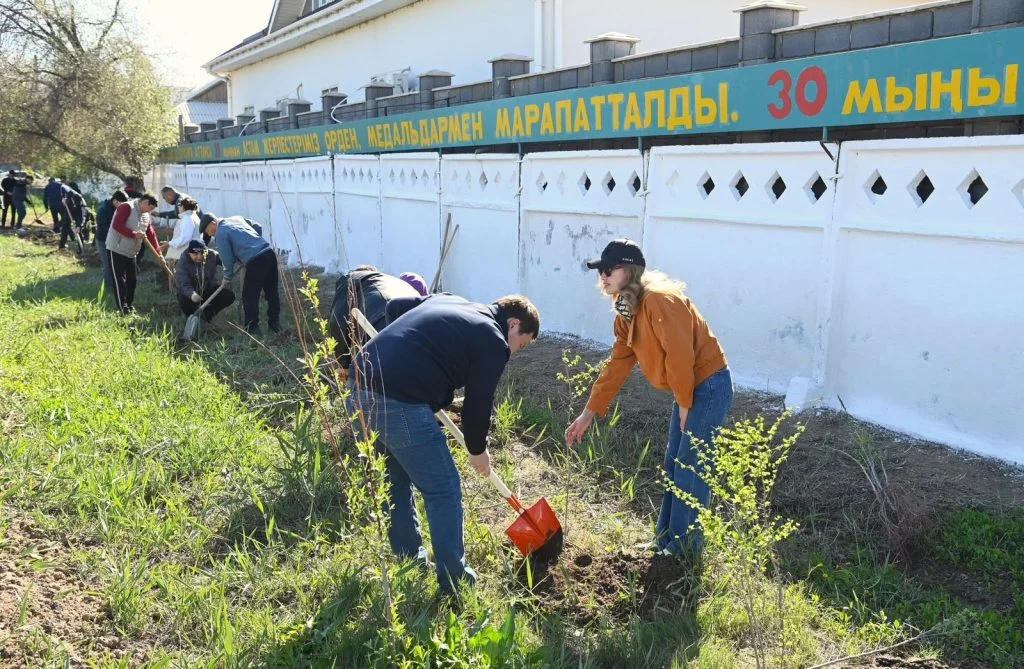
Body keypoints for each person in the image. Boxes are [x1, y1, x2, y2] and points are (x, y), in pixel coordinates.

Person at [348, 293, 540, 593]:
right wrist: (478, 450)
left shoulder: (450, 300)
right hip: (398, 401)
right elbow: (478, 404)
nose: (514, 351)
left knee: (394, 480)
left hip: (359, 386)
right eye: (522, 343)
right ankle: (455, 583)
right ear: (513, 324)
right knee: (443, 488)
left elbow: (395, 307)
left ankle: (409, 559)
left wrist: (408, 354)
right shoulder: (493, 339)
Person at [564, 239, 733, 556]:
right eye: (599, 271)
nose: (602, 276)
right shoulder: (628, 308)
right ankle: (665, 542)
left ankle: (683, 553)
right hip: (690, 388)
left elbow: (680, 356)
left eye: (607, 270)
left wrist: (685, 403)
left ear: (628, 270)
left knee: (690, 467)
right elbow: (618, 363)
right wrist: (588, 413)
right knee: (673, 463)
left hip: (707, 386)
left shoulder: (659, 300)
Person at [329, 265, 428, 370]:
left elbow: (337, 323)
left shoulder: (350, 279)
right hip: (418, 323)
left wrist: (342, 365)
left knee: (380, 374)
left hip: (383, 322)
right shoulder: (390, 282)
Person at [199, 213, 280, 334]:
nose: (210, 234)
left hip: (256, 261)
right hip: (269, 253)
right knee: (272, 292)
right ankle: (275, 325)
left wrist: (227, 276)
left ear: (213, 223)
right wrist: (253, 243)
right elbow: (258, 227)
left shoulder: (220, 233)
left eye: (208, 231)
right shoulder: (236, 218)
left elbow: (227, 258)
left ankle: (252, 329)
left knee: (250, 296)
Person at [106, 193, 163, 314]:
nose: (151, 210)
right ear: (145, 202)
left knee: (132, 281)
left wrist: (159, 253)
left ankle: (129, 305)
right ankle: (123, 308)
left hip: (131, 252)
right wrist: (133, 234)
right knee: (119, 279)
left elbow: (151, 234)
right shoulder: (126, 207)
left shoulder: (146, 215)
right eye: (151, 207)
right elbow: (117, 225)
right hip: (116, 248)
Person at [175, 239, 235, 322]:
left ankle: (207, 315)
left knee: (228, 296)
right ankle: (191, 317)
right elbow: (184, 284)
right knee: (183, 297)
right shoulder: (183, 262)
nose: (199, 256)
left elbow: (225, 260)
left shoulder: (211, 254)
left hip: (208, 290)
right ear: (189, 253)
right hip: (192, 293)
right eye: (195, 254)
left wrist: (234, 260)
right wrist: (192, 294)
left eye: (202, 253)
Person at [95, 190, 128, 299]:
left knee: (117, 264)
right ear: (114, 201)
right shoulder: (103, 210)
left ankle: (119, 285)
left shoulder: (119, 209)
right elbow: (103, 228)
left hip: (116, 240)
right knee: (108, 264)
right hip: (103, 241)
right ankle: (109, 288)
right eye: (121, 203)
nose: (123, 206)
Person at [160, 196, 201, 261]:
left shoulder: (187, 218)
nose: (178, 207)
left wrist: (170, 243)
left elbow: (185, 238)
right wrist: (171, 243)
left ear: (183, 207)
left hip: (187, 254)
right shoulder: (193, 217)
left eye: (179, 205)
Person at [58, 181, 87, 252]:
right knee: (65, 227)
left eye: (75, 203)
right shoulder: (69, 193)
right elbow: (62, 189)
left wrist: (79, 226)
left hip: (78, 214)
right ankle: (62, 246)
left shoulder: (82, 203)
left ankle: (81, 249)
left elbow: (82, 216)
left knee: (78, 230)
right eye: (73, 201)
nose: (74, 203)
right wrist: (63, 200)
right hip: (69, 211)